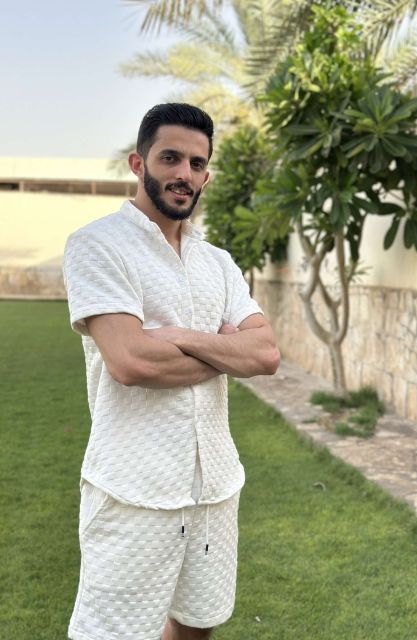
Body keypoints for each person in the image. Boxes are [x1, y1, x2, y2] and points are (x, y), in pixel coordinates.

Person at [63, 103, 280, 640]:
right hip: (133, 490)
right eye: (170, 158)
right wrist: (224, 350)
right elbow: (131, 361)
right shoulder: (98, 245)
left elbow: (265, 355)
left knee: (197, 624)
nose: (185, 173)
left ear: (206, 175)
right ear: (139, 163)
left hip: (215, 489)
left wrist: (178, 336)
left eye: (197, 163)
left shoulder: (218, 263)